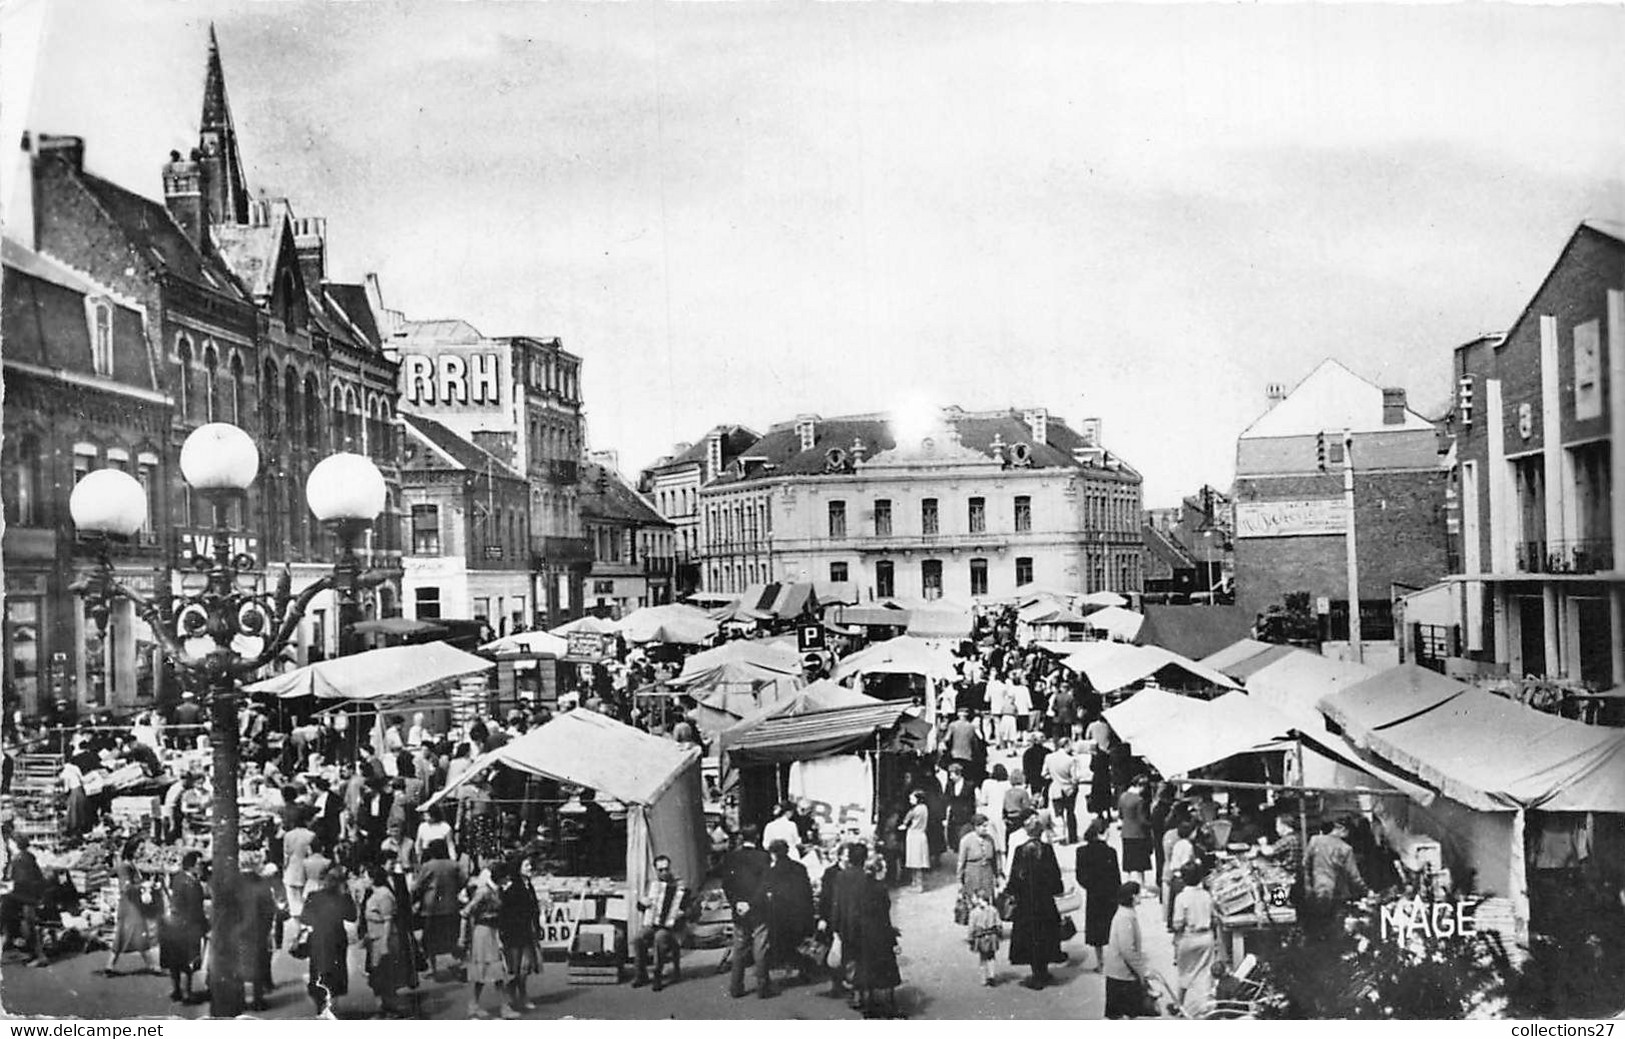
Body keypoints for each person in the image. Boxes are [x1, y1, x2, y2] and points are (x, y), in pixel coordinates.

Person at [1004, 815, 1064, 990]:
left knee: (1029, 937)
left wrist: (1012, 891)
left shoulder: (1019, 851)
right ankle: (1043, 970)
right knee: (1046, 934)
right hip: (1044, 901)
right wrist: (1056, 889)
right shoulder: (1047, 850)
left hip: (1025, 903)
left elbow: (1014, 877)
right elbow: (1055, 874)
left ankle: (1036, 974)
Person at [848, 854, 902, 1018]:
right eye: (884, 868)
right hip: (879, 935)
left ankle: (869, 1008)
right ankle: (889, 1009)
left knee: (867, 971)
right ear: (878, 870)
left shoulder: (859, 887)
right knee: (885, 973)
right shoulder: (880, 889)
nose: (886, 871)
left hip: (863, 935)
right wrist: (893, 939)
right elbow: (884, 918)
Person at [760, 838, 816, 993]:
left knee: (784, 946)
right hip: (799, 915)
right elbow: (807, 892)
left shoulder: (771, 872)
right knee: (796, 944)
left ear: (773, 854)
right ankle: (804, 968)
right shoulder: (800, 868)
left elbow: (766, 893)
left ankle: (797, 967)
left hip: (780, 917)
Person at [299, 865, 357, 1017]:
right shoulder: (342, 897)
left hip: (318, 939)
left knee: (318, 971)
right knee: (336, 973)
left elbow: (304, 918)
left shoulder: (313, 896)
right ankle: (333, 1007)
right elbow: (352, 916)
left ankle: (321, 1006)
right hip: (337, 939)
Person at [723, 826, 772, 999]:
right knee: (760, 946)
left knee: (739, 947)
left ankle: (736, 987)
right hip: (758, 908)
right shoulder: (763, 857)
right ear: (757, 836)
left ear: (742, 837)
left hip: (739, 909)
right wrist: (751, 903)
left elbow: (727, 884)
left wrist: (736, 903)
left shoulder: (731, 858)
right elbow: (765, 884)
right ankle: (763, 987)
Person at [461, 861, 512, 1018]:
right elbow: (466, 912)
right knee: (491, 970)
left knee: (490, 970)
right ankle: (502, 1007)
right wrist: (462, 937)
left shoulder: (497, 891)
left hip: (492, 931)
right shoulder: (483, 891)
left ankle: (475, 1005)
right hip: (483, 932)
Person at [632, 854, 688, 991]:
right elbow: (640, 907)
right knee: (638, 937)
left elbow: (691, 909)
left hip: (672, 929)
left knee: (660, 937)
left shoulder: (680, 886)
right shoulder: (651, 885)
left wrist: (682, 913)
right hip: (653, 923)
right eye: (660, 870)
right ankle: (641, 974)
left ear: (670, 868)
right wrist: (642, 903)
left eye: (666, 869)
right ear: (655, 870)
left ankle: (657, 974)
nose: (664, 872)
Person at [1304, 817, 1366, 935]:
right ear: (1342, 829)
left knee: (1316, 927)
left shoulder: (1315, 840)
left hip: (1315, 892)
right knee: (1334, 929)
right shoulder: (1346, 848)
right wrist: (1366, 891)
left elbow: (1305, 864)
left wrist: (1308, 885)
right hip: (1336, 894)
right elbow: (1354, 876)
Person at [160, 851, 208, 1004]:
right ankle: (187, 993)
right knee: (189, 960)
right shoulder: (192, 884)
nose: (202, 867)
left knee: (174, 960)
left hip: (173, 924)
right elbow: (195, 909)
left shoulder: (178, 878)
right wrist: (205, 926)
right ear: (192, 866)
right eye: (199, 864)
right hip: (188, 925)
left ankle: (176, 990)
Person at [414, 838, 466, 978]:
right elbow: (463, 881)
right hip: (450, 905)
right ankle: (461, 964)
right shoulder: (454, 865)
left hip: (431, 907)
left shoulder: (427, 866)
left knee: (430, 940)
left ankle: (433, 968)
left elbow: (417, 886)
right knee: (452, 937)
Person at [1076, 818, 1122, 973]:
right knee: (1111, 927)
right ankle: (1113, 961)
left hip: (1094, 895)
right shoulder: (1110, 852)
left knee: (1096, 930)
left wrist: (1091, 886)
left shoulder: (1082, 852)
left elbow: (1080, 876)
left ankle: (1100, 962)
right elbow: (1117, 877)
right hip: (1110, 894)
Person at [1171, 863, 1216, 1016]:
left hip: (1189, 937)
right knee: (1204, 973)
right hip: (1206, 937)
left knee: (1184, 972)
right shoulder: (1207, 895)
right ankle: (1205, 1007)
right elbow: (1213, 916)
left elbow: (1177, 923)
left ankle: (1179, 1005)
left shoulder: (1181, 898)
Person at [103, 861, 162, 976]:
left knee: (135, 933)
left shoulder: (131, 864)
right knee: (135, 931)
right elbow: (126, 887)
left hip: (133, 904)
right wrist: (143, 886)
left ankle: (110, 965)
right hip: (129, 906)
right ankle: (152, 965)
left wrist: (148, 885)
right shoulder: (125, 866)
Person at [239, 862, 282, 1011]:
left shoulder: (234, 886)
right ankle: (258, 1000)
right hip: (258, 932)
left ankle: (241, 1000)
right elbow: (270, 911)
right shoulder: (262, 886)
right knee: (257, 965)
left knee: (239, 965)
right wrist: (267, 929)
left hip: (238, 932)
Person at [1104, 881, 1150, 1019]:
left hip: (1120, 973)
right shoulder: (1126, 917)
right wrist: (1143, 971)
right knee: (1125, 1014)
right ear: (1133, 897)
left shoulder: (1126, 913)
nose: (1140, 897)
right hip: (1122, 975)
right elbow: (1127, 950)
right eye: (1138, 894)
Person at [955, 814, 1003, 927]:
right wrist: (959, 881)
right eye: (982, 826)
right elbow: (961, 862)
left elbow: (995, 860)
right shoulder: (966, 841)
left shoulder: (990, 839)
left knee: (988, 902)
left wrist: (997, 876)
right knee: (974, 902)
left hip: (987, 873)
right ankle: (975, 929)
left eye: (986, 826)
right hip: (972, 874)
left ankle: (990, 927)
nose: (985, 829)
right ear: (975, 827)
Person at [1118, 776, 1153, 888]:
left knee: (1129, 862)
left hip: (1126, 832)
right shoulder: (1139, 800)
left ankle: (1129, 883)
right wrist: (1150, 825)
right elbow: (1142, 819)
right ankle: (1142, 886)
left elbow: (1120, 814)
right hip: (1138, 833)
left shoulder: (1122, 797)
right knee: (1140, 864)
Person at [1044, 738, 1080, 846]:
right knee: (1070, 812)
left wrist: (1054, 777)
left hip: (1056, 788)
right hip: (1068, 788)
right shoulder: (1070, 760)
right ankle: (1073, 837)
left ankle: (1062, 836)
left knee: (1058, 814)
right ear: (1066, 745)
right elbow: (1074, 778)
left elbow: (1044, 774)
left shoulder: (1049, 757)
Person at [967, 889, 1003, 986]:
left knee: (982, 958)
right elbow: (999, 923)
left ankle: (983, 978)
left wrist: (970, 938)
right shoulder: (993, 910)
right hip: (992, 936)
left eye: (975, 898)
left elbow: (971, 927)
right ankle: (991, 976)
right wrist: (999, 933)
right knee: (991, 956)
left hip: (980, 937)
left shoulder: (974, 912)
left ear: (979, 899)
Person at [899, 791, 931, 892]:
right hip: (921, 835)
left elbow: (906, 821)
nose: (910, 800)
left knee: (915, 862)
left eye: (912, 798)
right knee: (918, 861)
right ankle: (915, 883)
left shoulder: (915, 810)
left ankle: (918, 884)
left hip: (914, 835)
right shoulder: (925, 808)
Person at [977, 764, 1012, 854]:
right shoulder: (1008, 785)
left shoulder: (987, 783)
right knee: (1003, 840)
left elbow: (983, 801)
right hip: (1002, 815)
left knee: (993, 840)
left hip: (990, 814)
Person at [943, 763, 978, 851]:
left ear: (958, 774)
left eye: (952, 774)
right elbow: (947, 801)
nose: (950, 777)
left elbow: (972, 803)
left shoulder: (969, 785)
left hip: (966, 818)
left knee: (964, 841)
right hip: (954, 818)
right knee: (955, 843)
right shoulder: (950, 786)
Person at [1022, 732, 1051, 808]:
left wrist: (1026, 781)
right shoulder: (1048, 751)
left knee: (1035, 798)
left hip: (1033, 779)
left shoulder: (1027, 753)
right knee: (1045, 798)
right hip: (1045, 778)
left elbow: (1026, 768)